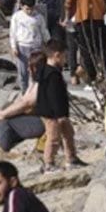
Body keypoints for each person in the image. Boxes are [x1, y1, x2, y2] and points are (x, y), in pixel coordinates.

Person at [35, 39, 82, 172]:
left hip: (56, 112)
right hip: (52, 113)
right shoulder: (52, 74)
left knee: (68, 133)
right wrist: (59, 114)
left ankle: (71, 158)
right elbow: (53, 96)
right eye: (64, 56)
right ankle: (48, 163)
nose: (65, 59)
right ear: (57, 55)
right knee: (53, 137)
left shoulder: (47, 70)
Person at [10, 0, 49, 91]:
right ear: (21, 6)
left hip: (36, 46)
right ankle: (24, 91)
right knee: (23, 72)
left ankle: (37, 91)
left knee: (37, 70)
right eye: (27, 9)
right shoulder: (17, 17)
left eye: (31, 9)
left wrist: (48, 42)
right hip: (22, 46)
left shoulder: (39, 17)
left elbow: (44, 31)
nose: (29, 11)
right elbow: (13, 33)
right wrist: (14, 47)